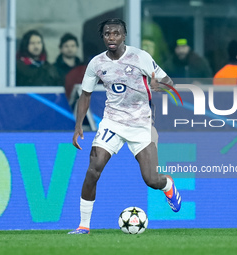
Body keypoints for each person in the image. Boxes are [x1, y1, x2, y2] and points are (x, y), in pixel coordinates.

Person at [68, 18, 182, 235]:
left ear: (124, 35)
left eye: (116, 33)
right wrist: (78, 125)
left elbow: (169, 84)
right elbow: (85, 94)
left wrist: (159, 86)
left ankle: (167, 185)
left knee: (151, 179)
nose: (112, 38)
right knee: (93, 170)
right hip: (112, 122)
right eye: (107, 34)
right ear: (103, 37)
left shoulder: (141, 57)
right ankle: (83, 226)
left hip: (141, 124)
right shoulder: (97, 64)